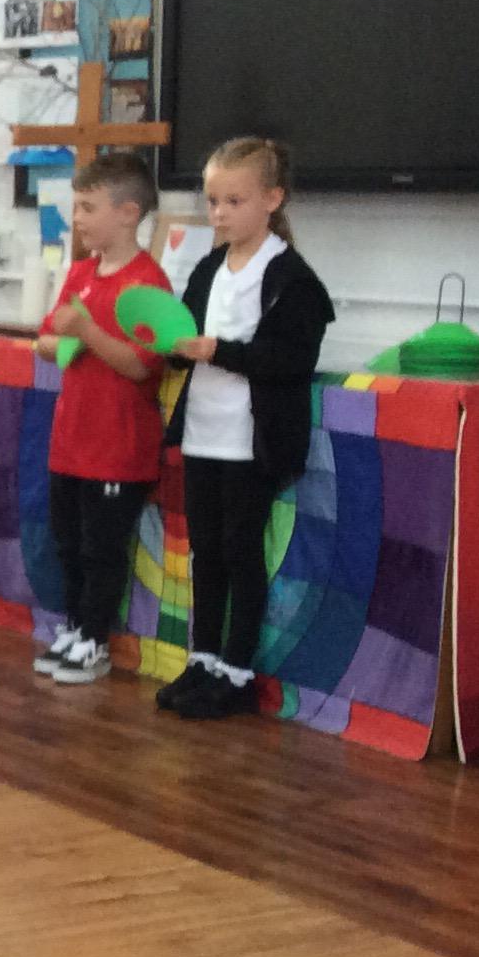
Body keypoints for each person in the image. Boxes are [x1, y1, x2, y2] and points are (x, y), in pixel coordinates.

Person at [158, 137, 334, 722]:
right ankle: (203, 658)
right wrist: (172, 345)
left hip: (250, 441)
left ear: (271, 200)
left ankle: (236, 670)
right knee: (204, 551)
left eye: (234, 201)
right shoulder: (210, 267)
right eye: (213, 201)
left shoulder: (290, 277)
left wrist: (220, 350)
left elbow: (291, 358)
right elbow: (185, 335)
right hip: (203, 433)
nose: (219, 213)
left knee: (240, 552)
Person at [32, 154, 172, 686]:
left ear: (128, 213)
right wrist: (67, 340)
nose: (78, 219)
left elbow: (141, 365)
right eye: (77, 207)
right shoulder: (80, 273)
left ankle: (95, 639)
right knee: (68, 543)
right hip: (71, 439)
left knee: (102, 549)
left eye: (88, 208)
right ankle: (74, 627)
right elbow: (48, 341)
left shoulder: (148, 283)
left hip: (117, 446)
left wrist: (86, 334)